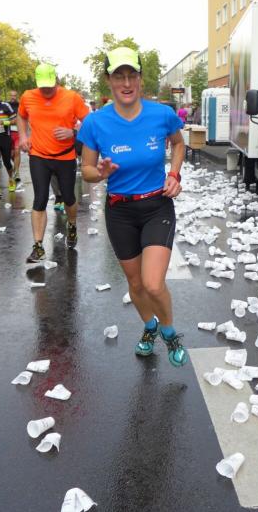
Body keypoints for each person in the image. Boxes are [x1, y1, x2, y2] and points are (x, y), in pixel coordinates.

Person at [79, 47, 187, 367]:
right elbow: (86, 170)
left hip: (156, 206)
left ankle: (169, 332)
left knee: (152, 283)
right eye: (118, 76)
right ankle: (149, 326)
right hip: (120, 211)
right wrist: (100, 173)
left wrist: (174, 174)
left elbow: (179, 143)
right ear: (108, 81)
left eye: (132, 76)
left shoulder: (162, 114)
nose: (126, 83)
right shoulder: (95, 122)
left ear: (140, 78)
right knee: (136, 284)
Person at [17, 63, 89, 263]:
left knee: (68, 197)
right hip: (38, 155)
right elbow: (21, 116)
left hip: (65, 156)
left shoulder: (71, 97)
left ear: (56, 80)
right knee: (39, 199)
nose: (46, 90)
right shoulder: (28, 96)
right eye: (43, 86)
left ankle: (72, 225)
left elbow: (90, 122)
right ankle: (38, 246)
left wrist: (73, 132)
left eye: (50, 85)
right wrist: (23, 136)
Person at [7, 89, 22, 184]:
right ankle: (15, 169)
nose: (13, 97)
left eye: (14, 95)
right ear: (9, 96)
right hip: (8, 132)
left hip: (18, 132)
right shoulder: (6, 105)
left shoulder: (20, 105)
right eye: (11, 95)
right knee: (10, 154)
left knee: (17, 151)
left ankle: (16, 172)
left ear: (17, 96)